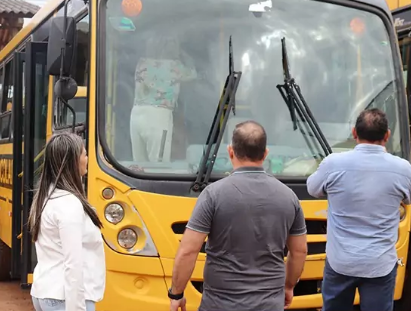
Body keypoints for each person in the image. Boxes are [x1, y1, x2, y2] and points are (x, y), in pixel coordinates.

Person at [168, 120, 308, 311]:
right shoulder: (289, 197)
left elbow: (188, 251)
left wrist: (177, 294)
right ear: (265, 154)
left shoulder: (212, 194)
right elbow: (299, 251)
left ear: (230, 151)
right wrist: (289, 286)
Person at [307, 108, 411, 311]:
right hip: (380, 264)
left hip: (340, 261)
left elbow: (312, 188)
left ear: (354, 133)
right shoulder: (402, 168)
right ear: (387, 135)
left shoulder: (333, 164)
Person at [28, 132, 105, 311]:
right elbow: (73, 264)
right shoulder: (69, 204)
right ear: (73, 161)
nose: (87, 159)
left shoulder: (47, 197)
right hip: (65, 298)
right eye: (84, 154)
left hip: (46, 291)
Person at [130, 34, 197, 164]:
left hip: (137, 114)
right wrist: (184, 53)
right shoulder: (174, 66)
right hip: (159, 115)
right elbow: (193, 73)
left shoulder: (141, 63)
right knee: (158, 164)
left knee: (139, 163)